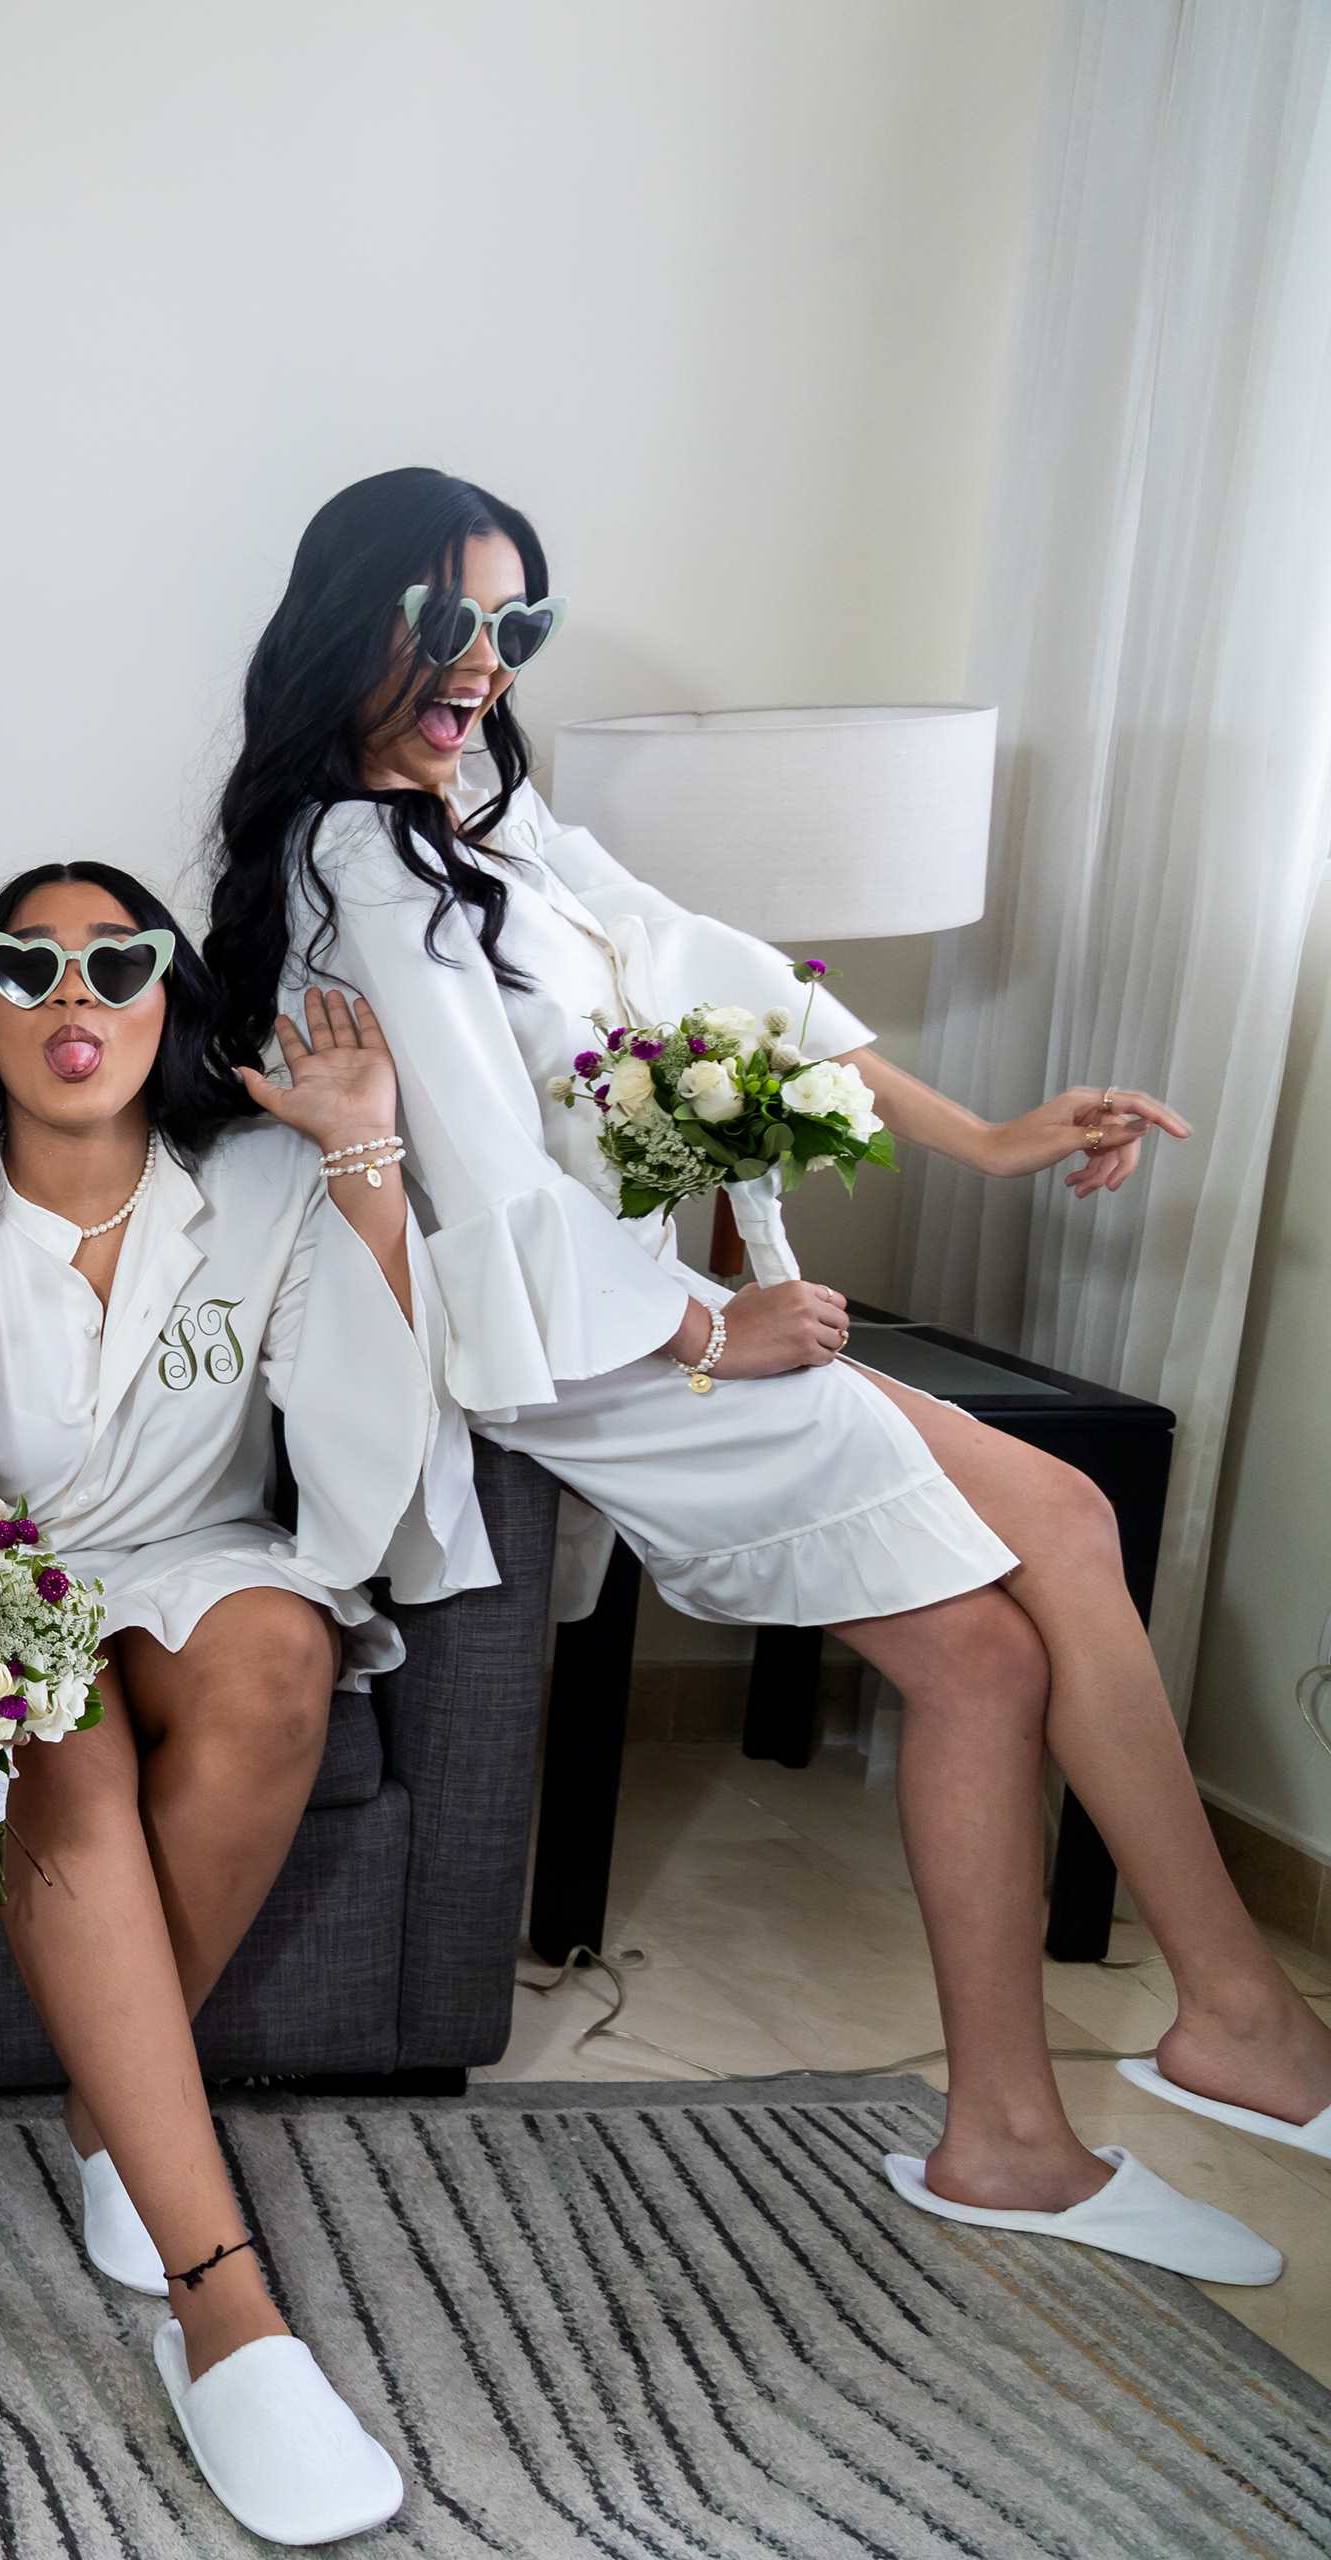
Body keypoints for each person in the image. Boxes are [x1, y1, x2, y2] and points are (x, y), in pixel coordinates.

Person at [204, 465, 1331, 2292]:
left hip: (619, 1312)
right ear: (353, 619)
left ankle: (1055, 2112)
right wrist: (711, 1332)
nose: (486, 659)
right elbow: (483, 1178)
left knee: (996, 1636)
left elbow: (705, 968)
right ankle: (1223, 2031)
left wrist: (984, 1135)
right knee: (1045, 1542)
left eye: (516, 620)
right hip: (559, 1349)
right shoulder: (357, 859)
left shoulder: (483, 812)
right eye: (447, 618)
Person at [0, 861, 490, 2545]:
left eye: (116, 962)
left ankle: (109, 2106)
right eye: (29, 965)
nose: (74, 995)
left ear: (169, 999)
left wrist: (364, 1158)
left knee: (286, 1650)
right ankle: (225, 2304)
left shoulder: (269, 1182)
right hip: (1, 1569)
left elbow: (359, 1451)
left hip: (200, 1556)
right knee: (52, 1714)